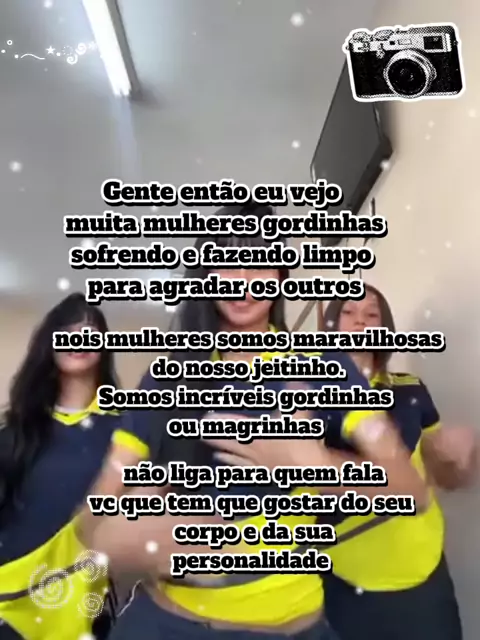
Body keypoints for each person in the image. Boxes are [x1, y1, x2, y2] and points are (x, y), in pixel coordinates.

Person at [80, 203, 431, 640]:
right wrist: (134, 536)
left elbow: (411, 490)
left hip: (293, 626)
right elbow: (94, 517)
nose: (243, 282)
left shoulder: (322, 365)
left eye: (259, 263)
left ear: (281, 275)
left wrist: (313, 465)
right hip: (167, 624)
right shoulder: (167, 377)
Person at [317, 283, 477, 640]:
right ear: (330, 324)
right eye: (348, 312)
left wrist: (458, 458)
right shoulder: (306, 395)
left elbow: (443, 476)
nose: (360, 321)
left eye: (371, 314)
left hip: (425, 577)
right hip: (344, 581)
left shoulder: (410, 388)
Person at [0, 293, 126, 640]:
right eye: (68, 333)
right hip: (11, 601)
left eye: (89, 334)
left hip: (87, 601)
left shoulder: (127, 432)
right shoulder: (16, 430)